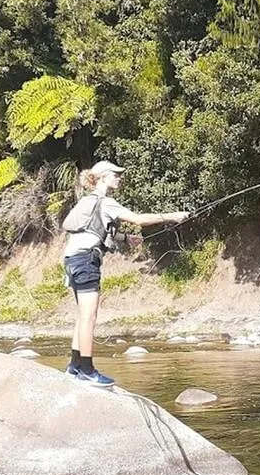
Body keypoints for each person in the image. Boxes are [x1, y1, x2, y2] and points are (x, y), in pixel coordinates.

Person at [62, 160, 189, 386]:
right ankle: (87, 371)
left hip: (72, 260)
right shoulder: (106, 202)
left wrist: (125, 238)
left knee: (83, 315)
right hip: (86, 261)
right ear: (102, 177)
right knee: (89, 317)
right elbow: (139, 220)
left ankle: (74, 367)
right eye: (115, 174)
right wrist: (172, 215)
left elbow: (91, 229)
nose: (119, 178)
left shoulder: (87, 201)